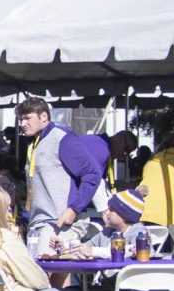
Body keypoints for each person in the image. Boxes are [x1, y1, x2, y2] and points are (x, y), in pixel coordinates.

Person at [16, 98, 107, 230]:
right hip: (38, 222)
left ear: (43, 117)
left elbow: (92, 174)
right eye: (20, 120)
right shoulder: (34, 142)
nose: (22, 123)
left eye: (27, 118)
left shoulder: (63, 139)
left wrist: (73, 209)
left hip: (59, 224)